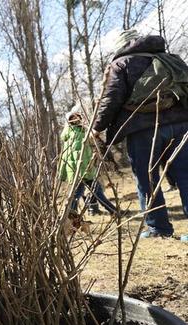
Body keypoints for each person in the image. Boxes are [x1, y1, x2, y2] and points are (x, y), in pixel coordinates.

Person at [93, 29, 188, 240]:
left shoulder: (121, 64)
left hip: (143, 129)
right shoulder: (169, 59)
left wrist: (97, 126)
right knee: (186, 175)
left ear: (122, 46)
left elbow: (112, 99)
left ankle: (158, 228)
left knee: (147, 178)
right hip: (181, 126)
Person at [60, 105, 117, 216]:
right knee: (79, 194)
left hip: (87, 169)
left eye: (77, 117)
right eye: (73, 118)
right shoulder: (74, 135)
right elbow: (66, 157)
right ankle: (72, 215)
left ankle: (113, 211)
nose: (76, 119)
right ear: (69, 121)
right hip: (80, 171)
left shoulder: (82, 131)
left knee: (95, 192)